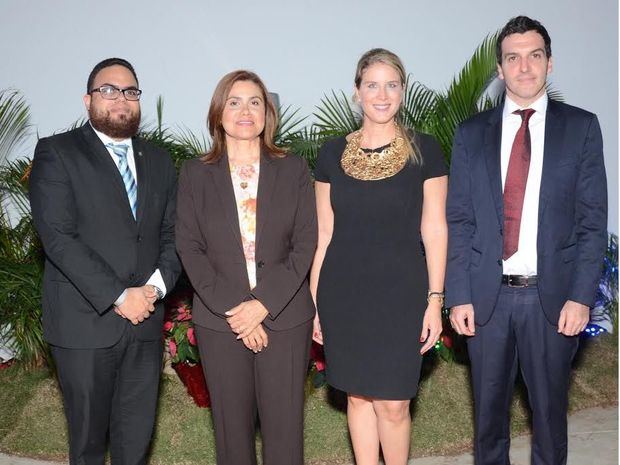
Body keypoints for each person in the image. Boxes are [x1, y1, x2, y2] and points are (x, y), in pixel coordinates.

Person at [446, 16, 607, 465]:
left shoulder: (581, 128)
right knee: (488, 423)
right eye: (513, 58)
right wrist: (458, 295)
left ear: (549, 63)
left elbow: (593, 221)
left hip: (551, 301)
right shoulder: (471, 134)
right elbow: (459, 219)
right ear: (499, 69)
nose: (524, 66)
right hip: (486, 299)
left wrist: (581, 297)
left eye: (534, 55)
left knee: (550, 419)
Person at [29, 57, 181, 465]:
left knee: (135, 443)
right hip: (85, 325)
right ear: (88, 99)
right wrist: (118, 295)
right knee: (89, 446)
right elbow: (58, 238)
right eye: (109, 90)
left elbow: (172, 236)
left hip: (145, 322)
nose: (121, 99)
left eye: (131, 91)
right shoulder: (57, 153)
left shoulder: (160, 161)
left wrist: (151, 290)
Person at [310, 48, 448, 465]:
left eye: (392, 85)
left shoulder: (425, 150)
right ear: (357, 92)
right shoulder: (331, 154)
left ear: (403, 92)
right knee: (356, 397)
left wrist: (436, 299)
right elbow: (325, 235)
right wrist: (315, 305)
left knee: (393, 404)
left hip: (402, 296)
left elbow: (435, 228)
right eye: (372, 85)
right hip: (343, 295)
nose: (382, 94)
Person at [175, 70, 317, 465]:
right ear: (219, 113)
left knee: (285, 436)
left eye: (255, 102)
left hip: (285, 318)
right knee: (231, 438)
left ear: (267, 114)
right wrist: (240, 311)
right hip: (221, 322)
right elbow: (189, 247)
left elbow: (306, 243)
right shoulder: (194, 174)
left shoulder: (293, 169)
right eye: (234, 102)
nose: (245, 110)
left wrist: (262, 305)